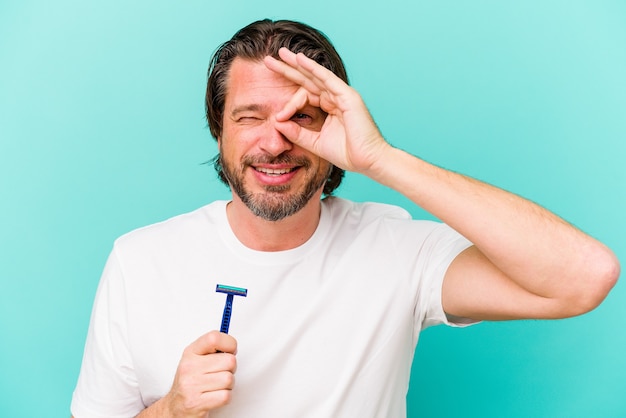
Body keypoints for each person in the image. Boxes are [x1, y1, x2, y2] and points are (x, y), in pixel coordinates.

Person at [70, 19, 620, 418]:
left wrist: (381, 159)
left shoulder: (399, 252)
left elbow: (584, 277)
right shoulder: (139, 262)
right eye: (249, 117)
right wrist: (172, 411)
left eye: (301, 119)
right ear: (219, 129)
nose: (274, 142)